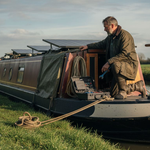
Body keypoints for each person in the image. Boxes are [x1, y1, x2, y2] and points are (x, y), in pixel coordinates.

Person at [80, 16, 146, 99]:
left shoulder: (125, 35)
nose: (104, 29)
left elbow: (125, 53)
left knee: (116, 65)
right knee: (114, 93)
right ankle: (138, 86)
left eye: (105, 27)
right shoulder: (110, 37)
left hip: (129, 65)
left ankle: (123, 91)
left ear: (112, 25)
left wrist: (108, 62)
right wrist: (87, 46)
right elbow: (101, 44)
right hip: (118, 66)